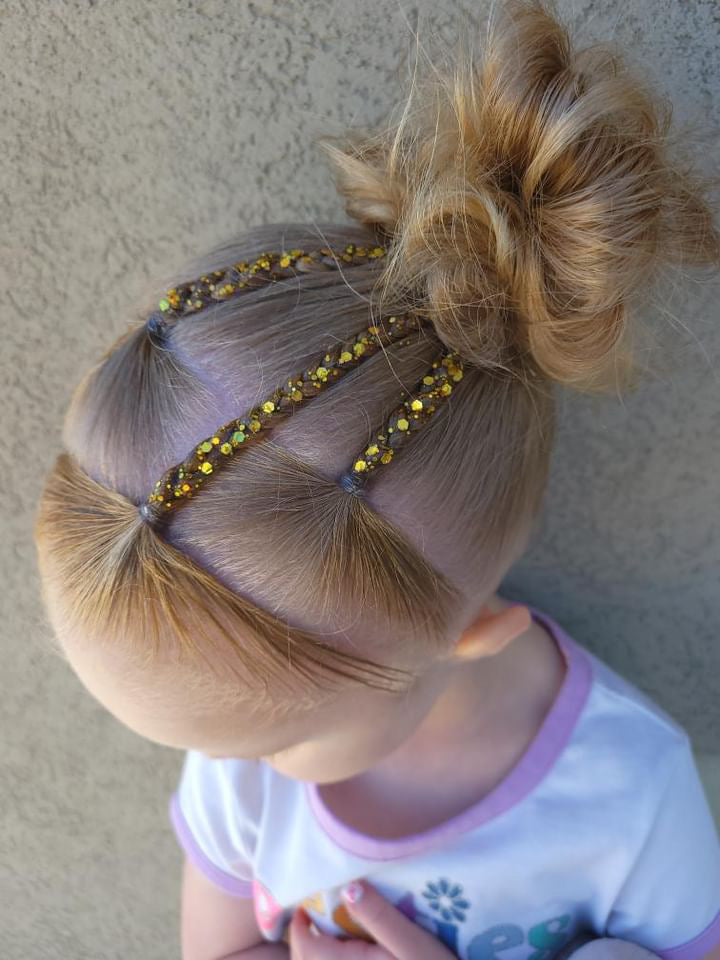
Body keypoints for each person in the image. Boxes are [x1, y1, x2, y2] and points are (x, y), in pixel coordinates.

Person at [33, 1, 720, 959]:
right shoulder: (240, 766)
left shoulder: (628, 798)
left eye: (273, 747)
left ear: (471, 636)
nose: (238, 773)